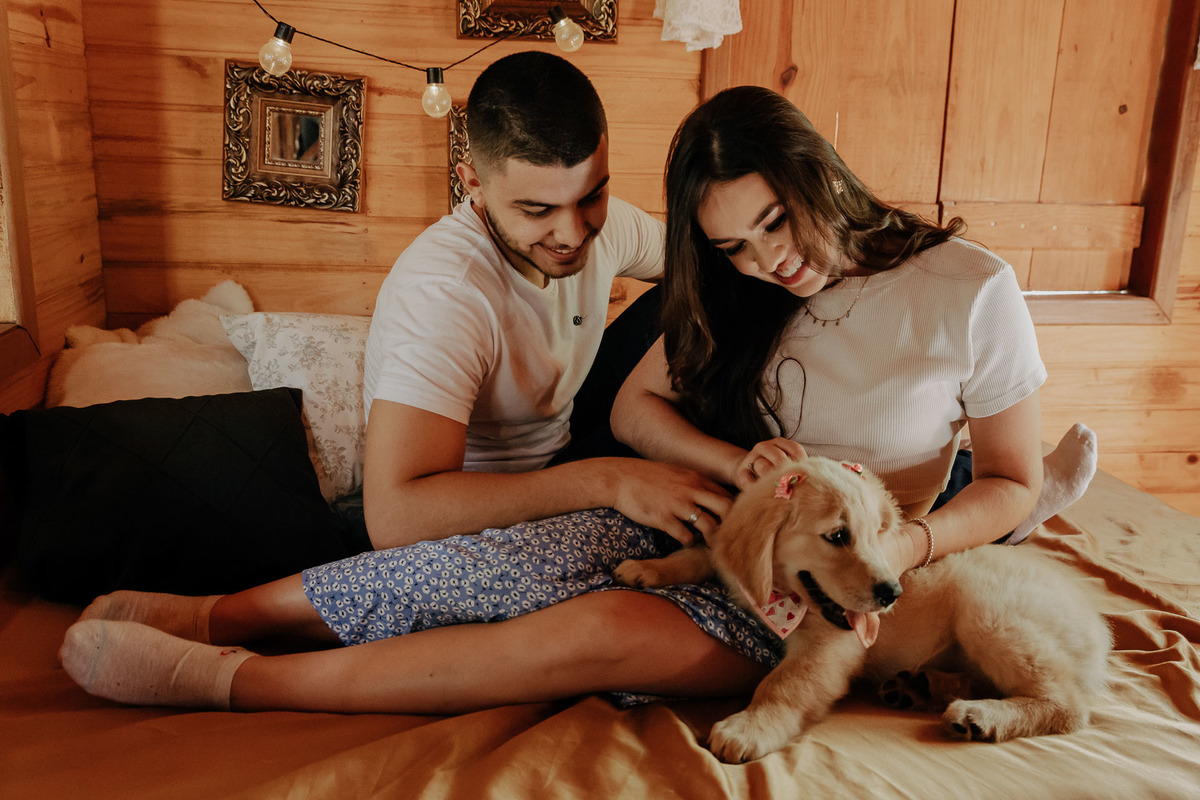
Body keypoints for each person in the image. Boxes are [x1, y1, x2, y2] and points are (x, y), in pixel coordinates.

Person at [57, 86, 1097, 714]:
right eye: (735, 244)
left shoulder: (971, 288)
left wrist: (910, 549)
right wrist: (728, 464)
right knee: (510, 554)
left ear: (818, 171)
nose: (772, 261)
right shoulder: (737, 284)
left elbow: (1002, 474)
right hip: (722, 519)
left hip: (842, 577)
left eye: (778, 221)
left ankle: (239, 680)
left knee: (596, 624)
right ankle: (217, 610)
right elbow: (643, 409)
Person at [357, 50, 728, 552]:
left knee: (714, 282)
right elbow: (396, 518)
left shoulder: (606, 224)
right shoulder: (445, 292)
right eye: (537, 209)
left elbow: (712, 262)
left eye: (591, 197)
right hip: (473, 515)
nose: (572, 234)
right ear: (474, 185)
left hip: (573, 445)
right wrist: (613, 481)